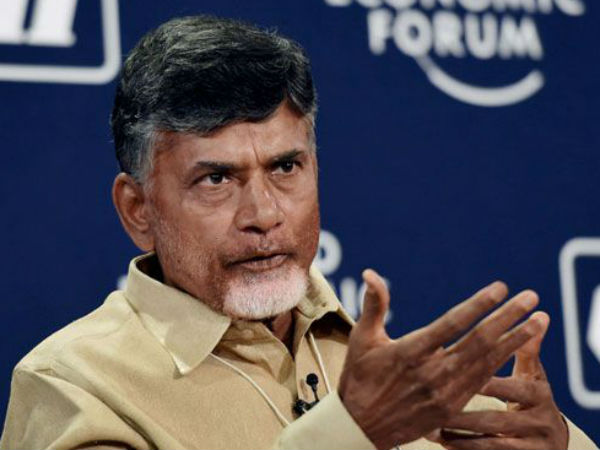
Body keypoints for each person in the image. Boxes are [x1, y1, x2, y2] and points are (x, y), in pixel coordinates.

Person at [0, 15, 596, 450]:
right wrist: (350, 433)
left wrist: (561, 446)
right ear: (138, 210)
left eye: (285, 167)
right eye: (216, 178)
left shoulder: (403, 381)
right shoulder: (74, 385)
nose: (263, 213)